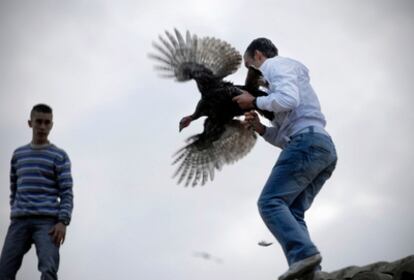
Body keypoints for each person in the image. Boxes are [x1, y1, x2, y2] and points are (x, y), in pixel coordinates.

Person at [233, 38, 337, 280]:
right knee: (292, 211)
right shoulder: (285, 80)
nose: (254, 75)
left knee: (270, 202)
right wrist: (260, 128)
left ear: (258, 56)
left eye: (250, 66)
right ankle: (310, 274)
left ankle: (303, 255)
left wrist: (254, 101)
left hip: (308, 143)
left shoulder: (275, 66)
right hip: (321, 147)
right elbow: (284, 140)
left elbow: (289, 100)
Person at [0, 104, 73, 280]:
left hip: (47, 223)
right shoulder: (19, 154)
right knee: (4, 271)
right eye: (38, 121)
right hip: (20, 221)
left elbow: (66, 192)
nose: (42, 126)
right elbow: (14, 188)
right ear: (30, 123)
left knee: (48, 269)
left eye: (46, 122)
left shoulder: (59, 156)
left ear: (51, 125)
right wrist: (15, 211)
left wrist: (63, 221)